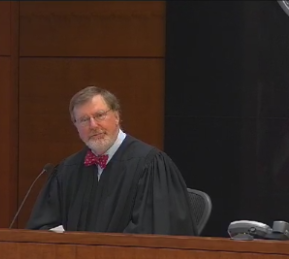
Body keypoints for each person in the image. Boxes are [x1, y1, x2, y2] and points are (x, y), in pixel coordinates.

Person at [26, 86, 198, 236]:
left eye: (100, 115)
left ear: (116, 116)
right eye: (84, 120)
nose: (93, 125)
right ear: (76, 126)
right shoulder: (67, 170)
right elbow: (43, 228)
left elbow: (154, 232)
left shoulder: (151, 164)